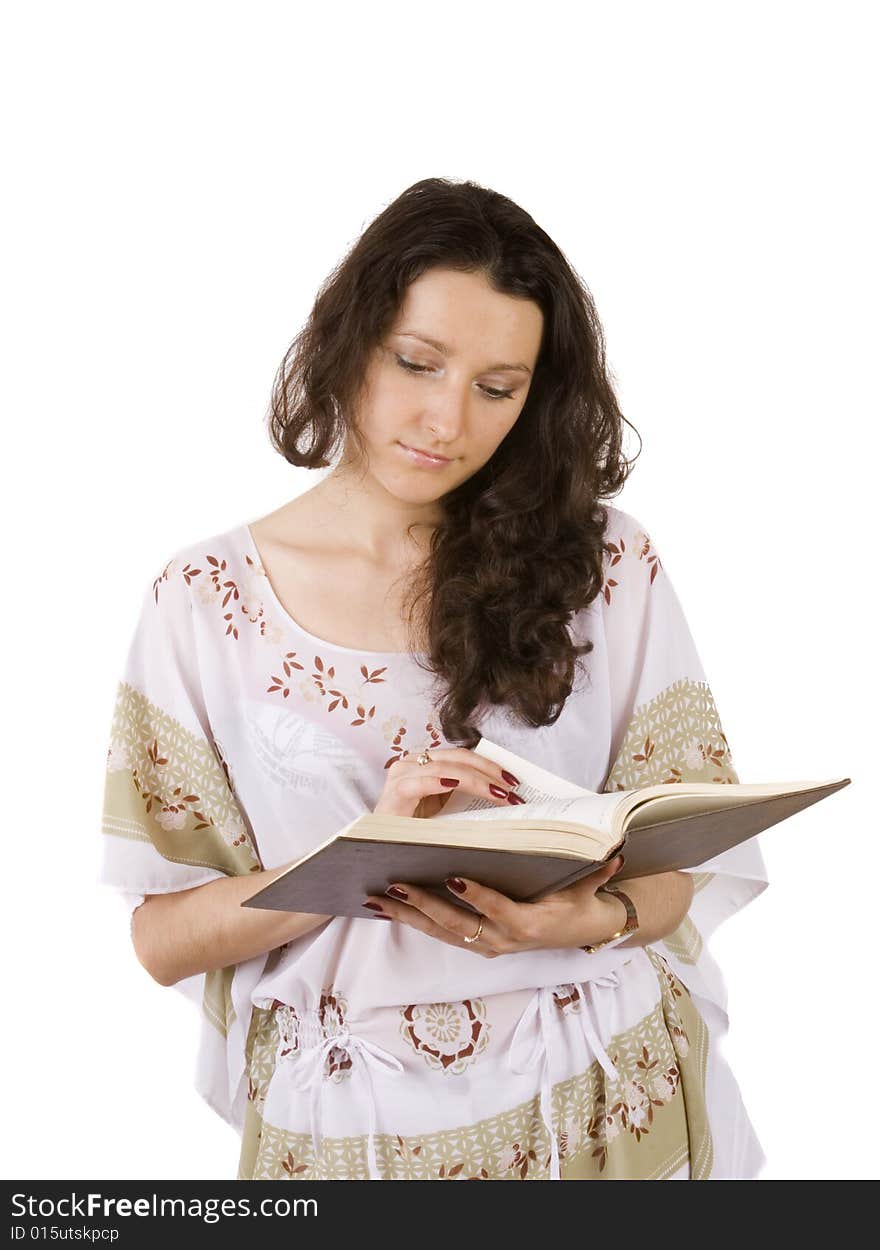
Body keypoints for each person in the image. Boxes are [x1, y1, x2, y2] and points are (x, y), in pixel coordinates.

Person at [98, 177, 769, 1180]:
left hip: (606, 1095)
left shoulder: (605, 567)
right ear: (349, 339)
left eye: (497, 387)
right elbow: (162, 937)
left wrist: (596, 916)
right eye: (416, 362)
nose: (446, 419)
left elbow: (683, 850)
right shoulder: (203, 601)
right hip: (351, 1130)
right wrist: (365, 849)